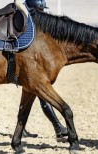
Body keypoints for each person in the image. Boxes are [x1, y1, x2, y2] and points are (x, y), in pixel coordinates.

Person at [22, 0, 67, 138]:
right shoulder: (28, 23)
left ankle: (21, 129)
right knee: (42, 95)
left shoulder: (36, 23)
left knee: (30, 96)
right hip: (27, 67)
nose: (43, 13)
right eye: (40, 10)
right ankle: (58, 128)